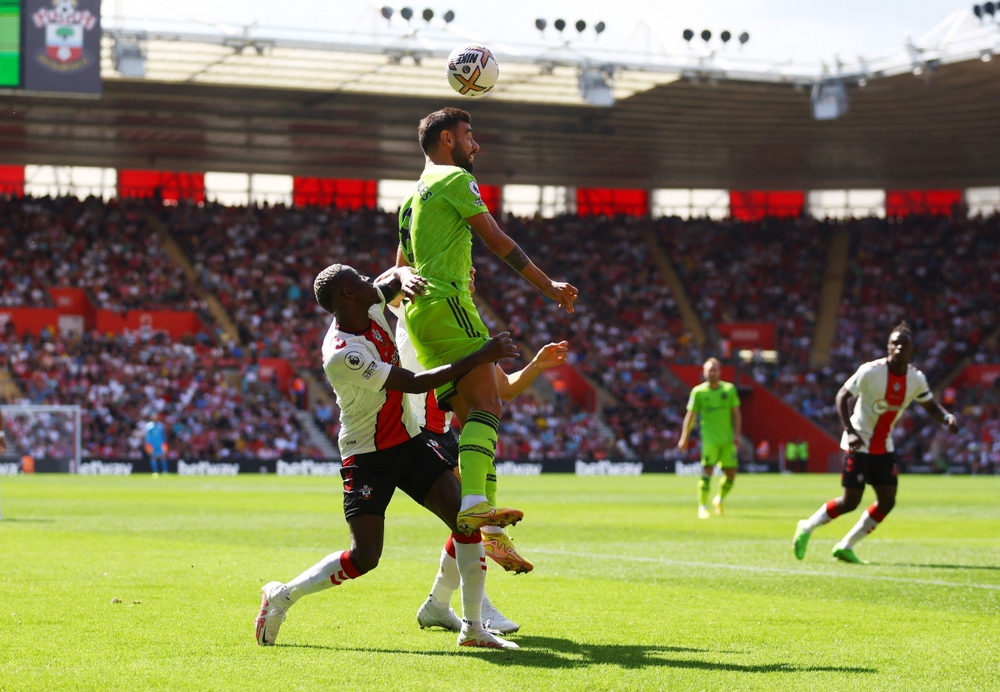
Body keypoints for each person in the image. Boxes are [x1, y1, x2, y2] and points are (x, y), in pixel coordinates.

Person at [255, 263, 521, 650]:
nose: (369, 279)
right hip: (367, 455)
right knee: (365, 557)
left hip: (411, 442)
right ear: (347, 295)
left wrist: (409, 275)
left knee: (465, 523)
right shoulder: (343, 354)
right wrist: (482, 356)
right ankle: (281, 596)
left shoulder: (370, 301)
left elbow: (394, 276)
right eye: (359, 279)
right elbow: (413, 382)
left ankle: (474, 628)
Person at [395, 107, 578, 535]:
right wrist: (548, 285)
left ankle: (488, 527)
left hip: (421, 318)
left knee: (473, 411)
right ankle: (476, 504)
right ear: (447, 140)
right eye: (469, 135)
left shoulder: (408, 201)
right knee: (488, 406)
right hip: (449, 303)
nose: (476, 145)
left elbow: (401, 269)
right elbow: (495, 238)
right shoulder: (457, 179)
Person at [380, 266, 569, 634]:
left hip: (447, 431)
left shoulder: (467, 322)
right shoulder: (419, 303)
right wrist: (403, 274)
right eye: (462, 264)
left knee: (465, 518)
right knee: (468, 518)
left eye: (471, 267)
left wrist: (537, 365)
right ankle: (478, 603)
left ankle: (438, 604)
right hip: (417, 429)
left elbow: (506, 389)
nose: (470, 271)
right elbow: (383, 285)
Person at [792, 321, 959, 564]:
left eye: (905, 344)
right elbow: (842, 396)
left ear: (912, 349)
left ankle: (845, 545)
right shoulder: (871, 371)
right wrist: (849, 431)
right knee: (850, 502)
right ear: (888, 347)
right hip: (858, 442)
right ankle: (806, 527)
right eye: (895, 343)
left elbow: (931, 406)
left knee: (888, 500)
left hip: (883, 445)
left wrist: (946, 417)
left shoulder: (916, 379)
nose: (900, 347)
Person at [677, 358, 743, 519]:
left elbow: (736, 413)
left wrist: (737, 434)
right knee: (707, 471)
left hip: (727, 440)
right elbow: (690, 415)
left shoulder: (729, 390)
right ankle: (702, 507)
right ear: (704, 372)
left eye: (714, 370)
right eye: (709, 370)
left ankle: (718, 499)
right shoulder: (698, 392)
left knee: (731, 474)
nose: (711, 372)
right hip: (709, 440)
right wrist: (684, 437)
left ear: (720, 372)